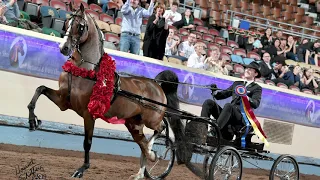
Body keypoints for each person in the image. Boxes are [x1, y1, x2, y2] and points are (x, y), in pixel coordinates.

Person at [201, 61, 262, 141]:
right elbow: (222, 95)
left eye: (250, 69)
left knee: (229, 106)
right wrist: (215, 91)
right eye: (247, 68)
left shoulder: (256, 88)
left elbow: (256, 103)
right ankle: (201, 128)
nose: (247, 70)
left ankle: (214, 131)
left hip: (240, 117)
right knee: (208, 102)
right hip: (229, 113)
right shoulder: (237, 83)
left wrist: (245, 96)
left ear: (256, 74)